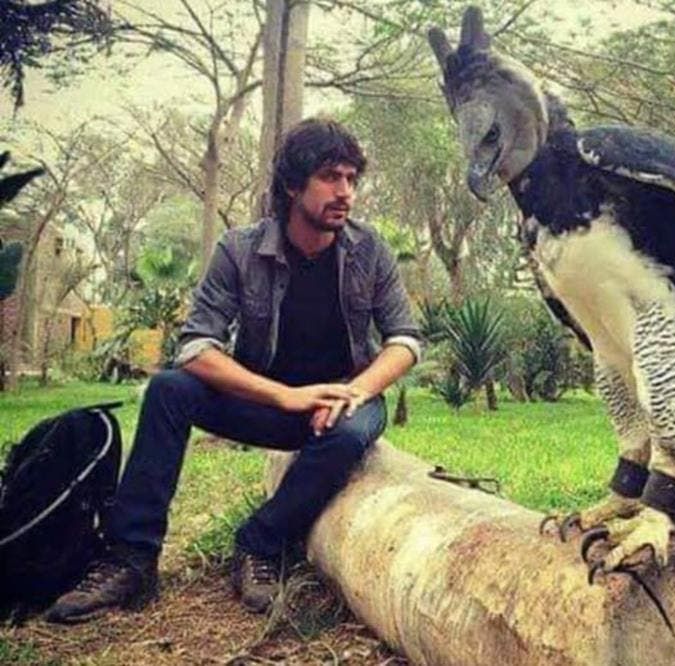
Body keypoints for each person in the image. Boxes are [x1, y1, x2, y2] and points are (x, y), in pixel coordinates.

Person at [47, 118, 423, 622]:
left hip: (339, 405)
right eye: (330, 176)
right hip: (264, 403)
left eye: (352, 179)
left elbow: (405, 340)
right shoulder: (240, 250)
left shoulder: (369, 250)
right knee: (168, 390)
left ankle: (260, 543)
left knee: (352, 430)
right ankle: (131, 559)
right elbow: (196, 347)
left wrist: (354, 392)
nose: (345, 192)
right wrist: (284, 396)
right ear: (292, 185)